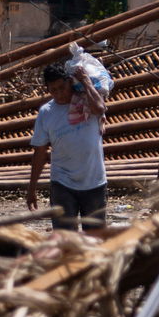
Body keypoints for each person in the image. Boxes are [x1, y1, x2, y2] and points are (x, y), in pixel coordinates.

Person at [27, 61, 108, 230]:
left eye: (61, 87)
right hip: (62, 183)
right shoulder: (46, 113)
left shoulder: (86, 101)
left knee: (95, 239)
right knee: (64, 239)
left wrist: (85, 80)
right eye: (53, 90)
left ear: (70, 82)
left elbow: (100, 109)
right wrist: (32, 188)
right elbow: (40, 153)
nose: (59, 94)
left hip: (94, 182)